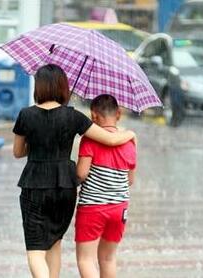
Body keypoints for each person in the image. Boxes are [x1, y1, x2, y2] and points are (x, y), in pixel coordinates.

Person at [12, 64, 136, 278]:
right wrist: (131, 134)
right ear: (63, 87)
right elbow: (110, 138)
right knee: (54, 243)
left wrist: (40, 143)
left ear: (38, 87)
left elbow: (18, 151)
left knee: (35, 250)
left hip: (35, 184)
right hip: (64, 187)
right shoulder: (74, 117)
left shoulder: (26, 115)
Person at [75, 94, 136, 278]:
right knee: (108, 258)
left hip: (93, 207)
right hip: (119, 208)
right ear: (119, 114)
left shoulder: (90, 139)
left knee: (86, 259)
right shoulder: (129, 141)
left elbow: (81, 173)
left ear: (93, 116)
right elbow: (130, 180)